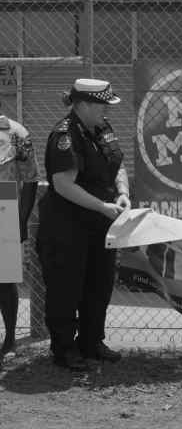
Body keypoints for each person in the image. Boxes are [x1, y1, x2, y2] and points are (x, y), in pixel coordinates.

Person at [36, 79, 130, 371]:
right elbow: (63, 184)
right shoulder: (64, 135)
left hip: (100, 226)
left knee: (98, 285)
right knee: (66, 289)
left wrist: (123, 192)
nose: (107, 111)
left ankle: (92, 344)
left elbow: (118, 165)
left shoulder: (102, 128)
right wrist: (103, 206)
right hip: (67, 227)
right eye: (102, 105)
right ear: (84, 105)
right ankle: (64, 351)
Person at [0, 101, 39, 361]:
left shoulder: (16, 133)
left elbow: (31, 178)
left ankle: (10, 339)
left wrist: (21, 219)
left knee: (4, 279)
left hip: (4, 205)